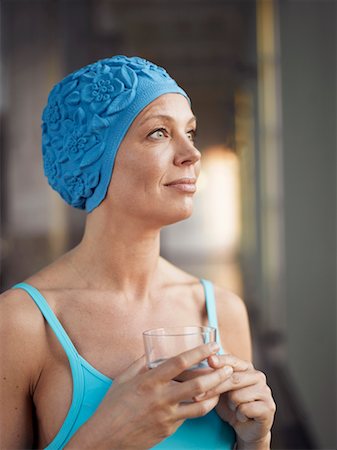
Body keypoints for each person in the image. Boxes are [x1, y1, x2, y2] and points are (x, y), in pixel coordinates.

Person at [0, 55, 275, 450]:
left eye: (191, 132)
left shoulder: (222, 312)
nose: (191, 154)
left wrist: (256, 440)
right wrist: (108, 437)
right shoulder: (21, 324)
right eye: (159, 133)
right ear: (95, 158)